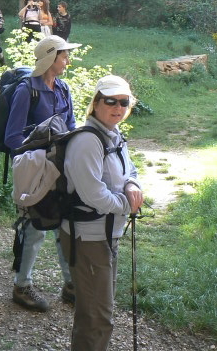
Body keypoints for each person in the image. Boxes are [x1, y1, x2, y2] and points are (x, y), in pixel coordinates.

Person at [60, 75, 143, 351]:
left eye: (124, 101)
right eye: (110, 101)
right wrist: (126, 204)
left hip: (106, 236)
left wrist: (131, 184)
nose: (118, 107)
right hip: (88, 239)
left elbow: (130, 170)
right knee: (98, 317)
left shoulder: (113, 134)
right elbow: (93, 195)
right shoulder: (87, 142)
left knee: (97, 310)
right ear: (95, 103)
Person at [4, 35, 82, 312]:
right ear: (51, 58)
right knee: (34, 228)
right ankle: (21, 286)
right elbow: (12, 137)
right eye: (64, 55)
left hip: (60, 170)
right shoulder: (27, 90)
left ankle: (71, 285)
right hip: (36, 172)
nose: (67, 60)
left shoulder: (63, 88)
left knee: (65, 226)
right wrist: (36, 162)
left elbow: (71, 127)